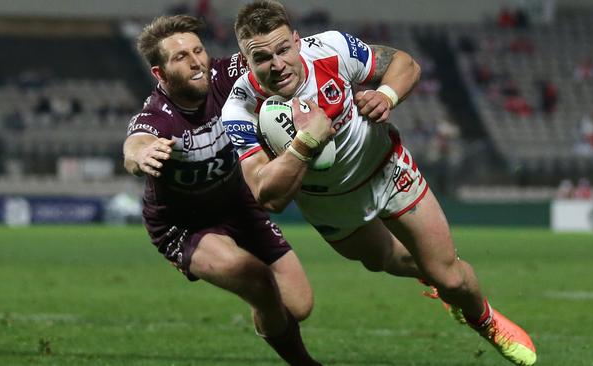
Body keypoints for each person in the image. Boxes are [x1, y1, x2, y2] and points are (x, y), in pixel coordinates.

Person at [221, 1, 537, 365]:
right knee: (382, 260)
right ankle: (436, 277)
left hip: (386, 170)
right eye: (262, 58)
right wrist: (306, 143)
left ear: (297, 41)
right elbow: (267, 196)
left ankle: (483, 319)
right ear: (246, 62)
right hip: (329, 204)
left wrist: (385, 95)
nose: (277, 64)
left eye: (282, 49)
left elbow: (406, 64)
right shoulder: (240, 109)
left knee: (449, 277)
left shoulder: (331, 49)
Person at [123, 15, 321, 365]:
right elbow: (136, 144)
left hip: (238, 206)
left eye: (197, 50)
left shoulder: (223, 73)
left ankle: (264, 310)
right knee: (258, 281)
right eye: (180, 57)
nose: (196, 60)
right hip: (183, 226)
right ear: (160, 73)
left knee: (299, 305)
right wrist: (142, 154)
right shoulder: (159, 115)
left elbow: (269, 56)